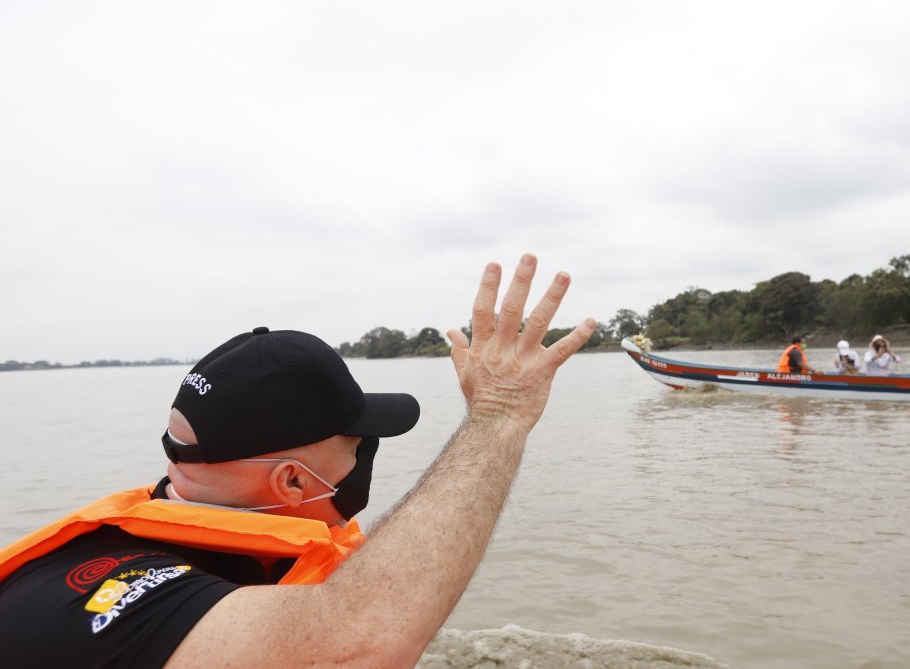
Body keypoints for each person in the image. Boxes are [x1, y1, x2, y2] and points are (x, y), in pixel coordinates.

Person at [0, 255, 596, 667]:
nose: (366, 460)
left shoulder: (179, 535)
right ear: (291, 481)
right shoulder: (133, 601)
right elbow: (354, 645)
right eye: (358, 446)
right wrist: (498, 417)